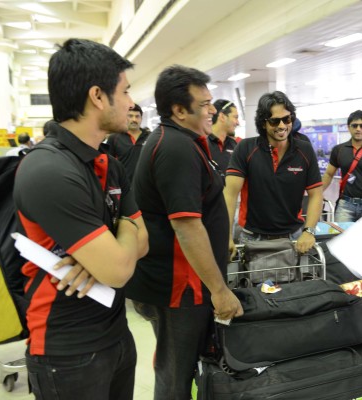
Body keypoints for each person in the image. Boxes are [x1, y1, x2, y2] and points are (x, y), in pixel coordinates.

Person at [13, 38, 149, 400]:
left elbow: (143, 241)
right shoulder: (48, 169)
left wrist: (104, 256)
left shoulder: (108, 164)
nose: (131, 103)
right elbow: (120, 269)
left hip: (116, 333)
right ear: (98, 97)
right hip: (67, 350)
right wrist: (118, 242)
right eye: (125, 91)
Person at [125, 65, 243, 400]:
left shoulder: (181, 141)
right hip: (178, 288)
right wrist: (219, 291)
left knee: (181, 369)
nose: (212, 111)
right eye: (204, 104)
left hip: (183, 284)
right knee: (175, 375)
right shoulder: (175, 148)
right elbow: (187, 227)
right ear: (178, 110)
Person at [224, 91, 323, 254]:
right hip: (252, 238)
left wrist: (309, 231)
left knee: (296, 281)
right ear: (263, 123)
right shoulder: (246, 149)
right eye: (274, 121)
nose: (282, 126)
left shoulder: (304, 150)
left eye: (287, 119)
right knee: (251, 281)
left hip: (294, 238)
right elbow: (229, 194)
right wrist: (226, 236)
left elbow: (316, 194)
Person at [107, 103, 150, 182]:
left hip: (146, 186)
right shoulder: (114, 138)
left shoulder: (150, 137)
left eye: (137, 116)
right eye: (130, 116)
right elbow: (109, 164)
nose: (134, 119)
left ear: (141, 118)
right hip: (124, 186)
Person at [208, 99, 239, 171]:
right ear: (222, 116)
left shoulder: (234, 145)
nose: (238, 123)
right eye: (235, 117)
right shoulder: (203, 144)